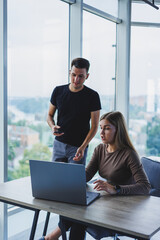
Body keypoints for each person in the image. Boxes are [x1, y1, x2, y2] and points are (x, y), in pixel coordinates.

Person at [41, 111, 150, 240]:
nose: (102, 133)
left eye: (107, 128)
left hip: (123, 209)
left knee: (78, 218)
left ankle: (51, 237)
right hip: (106, 203)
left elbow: (145, 186)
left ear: (118, 130)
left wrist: (116, 189)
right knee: (76, 214)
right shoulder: (100, 149)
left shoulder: (129, 154)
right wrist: (67, 177)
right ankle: (51, 237)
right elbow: (87, 174)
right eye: (101, 128)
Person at [47, 57, 101, 165]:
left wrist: (83, 147)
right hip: (58, 144)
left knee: (74, 181)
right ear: (69, 73)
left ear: (87, 76)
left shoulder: (93, 96)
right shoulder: (58, 91)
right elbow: (49, 115)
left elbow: (94, 126)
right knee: (55, 179)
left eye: (81, 76)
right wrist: (52, 126)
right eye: (73, 75)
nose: (76, 79)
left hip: (78, 147)